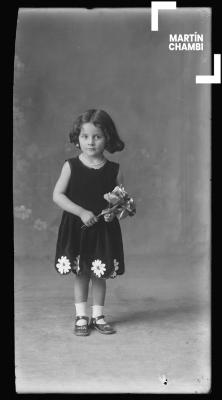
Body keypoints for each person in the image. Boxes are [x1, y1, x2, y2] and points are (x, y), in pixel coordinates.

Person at [53, 109, 127, 336]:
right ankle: (81, 316)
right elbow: (58, 195)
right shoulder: (71, 166)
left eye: (97, 136)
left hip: (103, 230)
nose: (91, 142)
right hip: (79, 228)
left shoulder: (113, 169)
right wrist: (81, 211)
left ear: (108, 139)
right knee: (82, 273)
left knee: (100, 273)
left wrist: (113, 212)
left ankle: (98, 315)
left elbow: (121, 200)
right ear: (78, 138)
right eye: (85, 136)